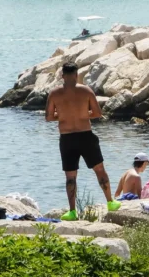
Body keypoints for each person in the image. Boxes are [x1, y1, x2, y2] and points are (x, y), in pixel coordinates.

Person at [45, 62, 122, 221]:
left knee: (70, 177)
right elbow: (97, 113)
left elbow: (49, 117)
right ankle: (110, 202)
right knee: (99, 170)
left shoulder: (54, 93)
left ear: (62, 76)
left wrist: (64, 115)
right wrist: (81, 114)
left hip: (67, 138)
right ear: (76, 75)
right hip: (86, 136)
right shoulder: (86, 90)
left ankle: (72, 211)